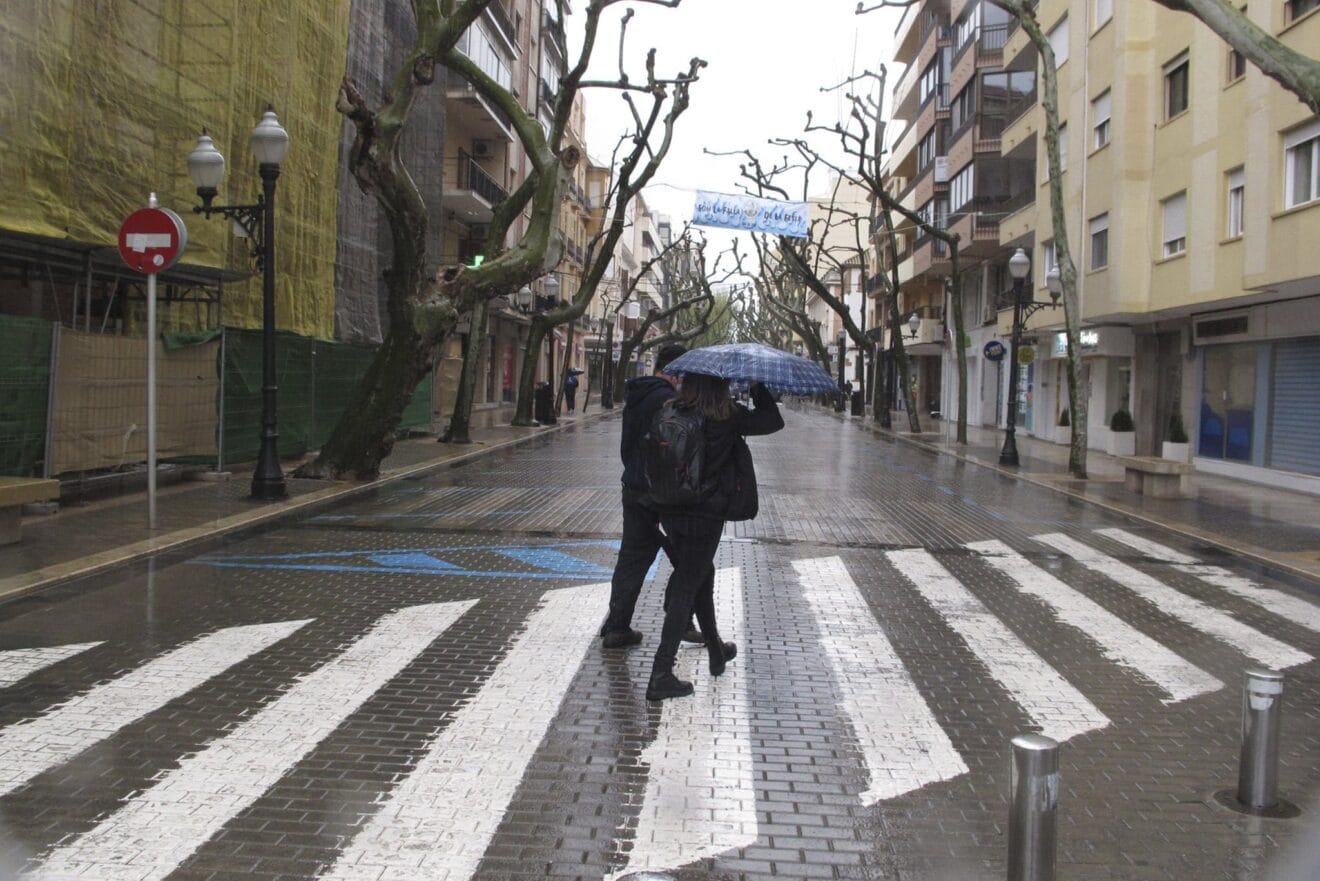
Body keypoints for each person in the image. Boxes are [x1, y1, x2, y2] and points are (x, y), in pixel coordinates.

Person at [645, 374, 784, 701]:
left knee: (699, 575)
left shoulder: (669, 410)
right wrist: (758, 385)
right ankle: (661, 672)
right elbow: (773, 421)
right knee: (687, 584)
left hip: (669, 507)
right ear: (719, 387)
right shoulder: (726, 415)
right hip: (704, 513)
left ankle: (716, 648)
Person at [599, 344, 706, 649]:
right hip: (661, 492)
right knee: (688, 556)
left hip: (634, 486)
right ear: (676, 370)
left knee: (632, 558)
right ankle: (682, 621)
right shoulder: (666, 400)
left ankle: (617, 626)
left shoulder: (640, 394)